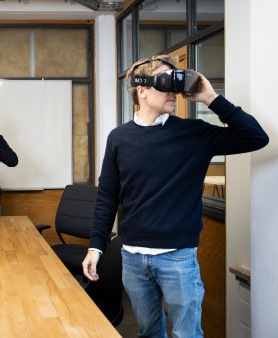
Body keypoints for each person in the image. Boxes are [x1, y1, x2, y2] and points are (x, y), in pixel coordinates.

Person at [82, 55, 269, 338]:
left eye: (175, 83)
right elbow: (108, 195)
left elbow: (256, 137)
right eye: (165, 82)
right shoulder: (119, 138)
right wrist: (95, 247)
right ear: (141, 90)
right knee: (148, 332)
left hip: (178, 258)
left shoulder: (193, 134)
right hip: (132, 256)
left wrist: (211, 98)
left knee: (187, 334)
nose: (173, 91)